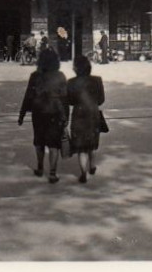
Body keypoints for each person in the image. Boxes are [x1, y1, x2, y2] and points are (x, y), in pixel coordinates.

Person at [18, 47, 69, 183]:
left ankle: (40, 167)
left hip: (38, 110)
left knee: (39, 140)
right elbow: (65, 98)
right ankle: (52, 173)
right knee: (53, 143)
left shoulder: (35, 76)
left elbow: (28, 95)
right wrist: (66, 117)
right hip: (55, 112)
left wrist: (22, 114)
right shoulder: (60, 76)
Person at [65, 54, 106, 184]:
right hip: (93, 114)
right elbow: (101, 100)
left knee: (81, 147)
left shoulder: (70, 82)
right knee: (92, 143)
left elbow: (69, 101)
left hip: (78, 115)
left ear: (76, 68)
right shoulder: (97, 80)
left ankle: (84, 173)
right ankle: (92, 166)